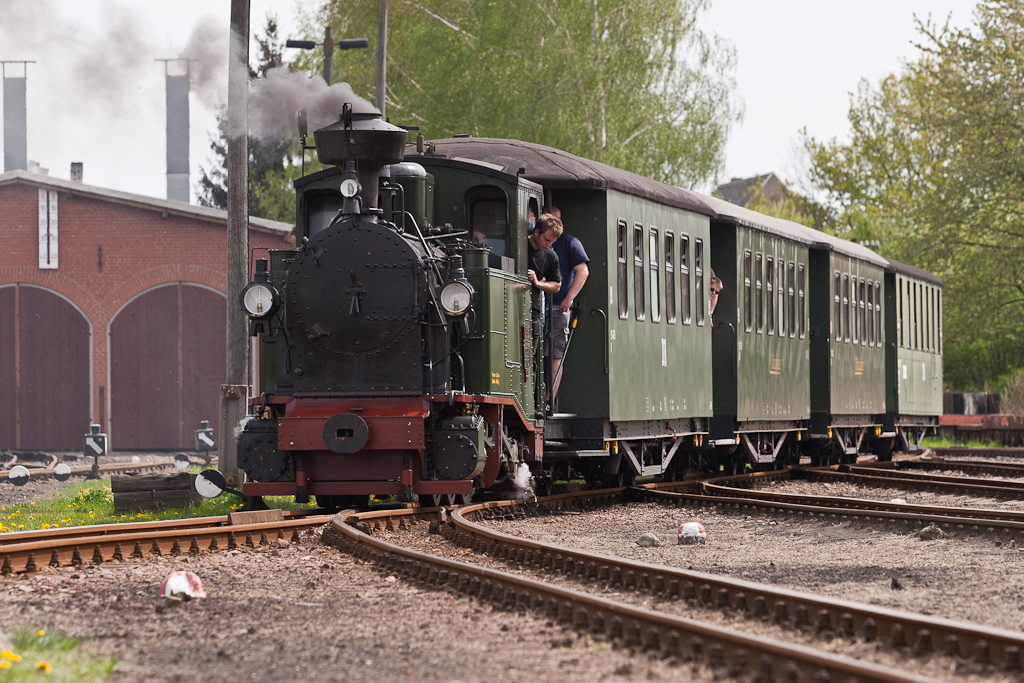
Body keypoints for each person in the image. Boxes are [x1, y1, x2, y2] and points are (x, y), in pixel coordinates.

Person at [549, 206, 589, 402]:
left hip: (558, 306)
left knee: (556, 353)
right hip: (536, 305)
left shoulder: (570, 243)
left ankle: (550, 399)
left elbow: (583, 271)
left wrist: (569, 298)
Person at [527, 213, 562, 406]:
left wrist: (538, 284)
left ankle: (532, 403)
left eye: (552, 241)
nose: (548, 244)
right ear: (537, 232)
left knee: (531, 358)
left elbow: (556, 285)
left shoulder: (550, 256)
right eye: (547, 240)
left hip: (533, 311)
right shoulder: (519, 246)